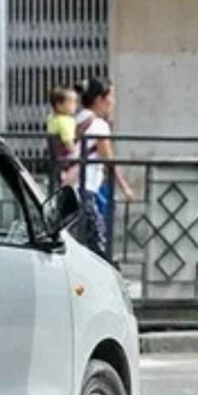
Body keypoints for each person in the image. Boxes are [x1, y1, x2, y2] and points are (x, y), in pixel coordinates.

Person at [71, 77, 134, 260]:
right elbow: (109, 160)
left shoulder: (79, 119)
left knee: (81, 245)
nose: (113, 102)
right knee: (98, 248)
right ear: (100, 99)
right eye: (111, 96)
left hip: (73, 189)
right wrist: (125, 188)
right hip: (87, 192)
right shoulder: (99, 125)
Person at [45, 86, 79, 186]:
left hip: (54, 161)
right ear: (59, 105)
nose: (75, 105)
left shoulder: (51, 118)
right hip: (65, 162)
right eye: (72, 102)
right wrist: (77, 154)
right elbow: (69, 143)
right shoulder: (65, 121)